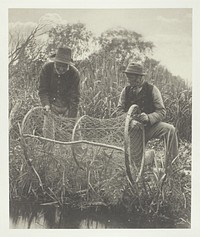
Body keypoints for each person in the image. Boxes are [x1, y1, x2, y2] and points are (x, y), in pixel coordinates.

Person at [116, 62, 179, 170]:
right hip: (135, 130)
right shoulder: (125, 91)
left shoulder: (152, 90)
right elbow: (118, 111)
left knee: (170, 130)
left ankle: (173, 166)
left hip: (151, 127)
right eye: (128, 77)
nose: (128, 80)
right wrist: (130, 121)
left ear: (139, 78)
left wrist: (149, 118)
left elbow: (162, 111)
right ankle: (150, 155)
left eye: (130, 77)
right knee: (136, 165)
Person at [38, 46, 80, 141]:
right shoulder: (46, 68)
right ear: (55, 62)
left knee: (76, 133)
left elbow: (75, 97)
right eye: (59, 65)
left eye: (64, 66)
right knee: (48, 133)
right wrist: (46, 105)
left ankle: (79, 155)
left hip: (68, 106)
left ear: (69, 65)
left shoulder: (75, 74)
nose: (61, 69)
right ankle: (48, 154)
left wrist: (71, 119)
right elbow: (43, 90)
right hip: (52, 106)